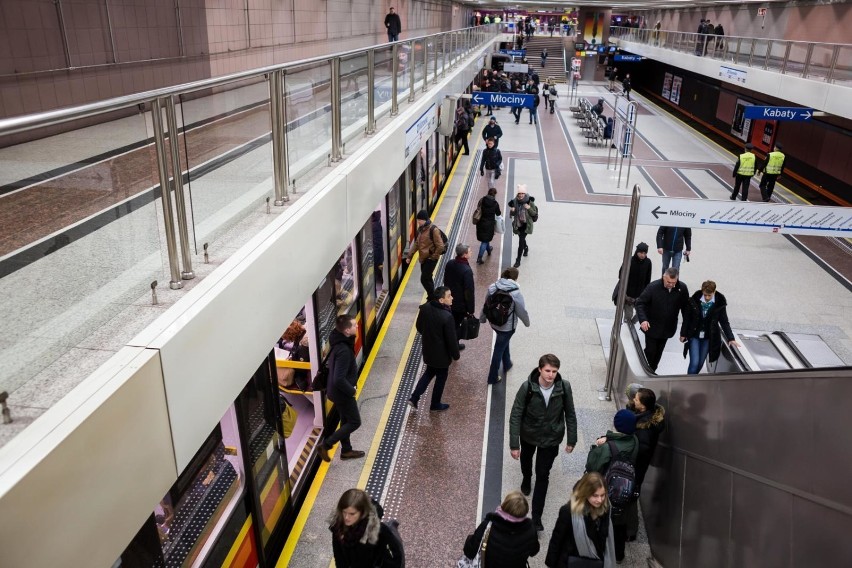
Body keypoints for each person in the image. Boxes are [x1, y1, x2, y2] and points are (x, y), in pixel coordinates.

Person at [509, 354, 577, 532]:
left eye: (554, 371)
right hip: (529, 434)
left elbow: (570, 413)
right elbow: (516, 414)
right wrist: (514, 444)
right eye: (547, 370)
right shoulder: (527, 388)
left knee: (543, 474)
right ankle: (526, 477)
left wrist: (572, 439)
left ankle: (536, 517)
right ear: (540, 369)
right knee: (526, 459)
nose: (551, 375)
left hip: (551, 438)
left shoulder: (564, 387)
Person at [586, 410, 639, 564]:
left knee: (599, 520)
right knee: (619, 525)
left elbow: (592, 467)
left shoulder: (607, 448)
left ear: (616, 424)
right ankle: (619, 554)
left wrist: (596, 447)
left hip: (606, 488)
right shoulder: (634, 440)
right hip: (625, 488)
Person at [544, 472, 616, 568]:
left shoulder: (606, 508)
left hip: (596, 561)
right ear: (586, 493)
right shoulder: (569, 511)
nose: (600, 500)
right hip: (572, 559)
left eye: (603, 495)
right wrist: (551, 563)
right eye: (595, 495)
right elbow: (557, 539)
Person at [319, 316, 365, 462]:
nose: (356, 326)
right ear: (346, 330)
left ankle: (346, 450)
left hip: (336, 392)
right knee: (354, 422)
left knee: (345, 421)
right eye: (353, 326)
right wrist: (351, 390)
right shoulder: (344, 350)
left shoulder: (339, 343)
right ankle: (326, 445)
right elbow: (338, 378)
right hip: (342, 393)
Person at [408, 286, 460, 411]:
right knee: (441, 378)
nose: (452, 298)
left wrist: (429, 336)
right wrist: (456, 355)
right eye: (449, 296)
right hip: (442, 356)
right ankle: (435, 404)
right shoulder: (447, 317)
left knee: (429, 373)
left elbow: (419, 327)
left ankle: (414, 398)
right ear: (441, 300)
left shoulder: (425, 308)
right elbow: (451, 339)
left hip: (428, 350)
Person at [329, 489, 404, 568]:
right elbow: (339, 557)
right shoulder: (338, 528)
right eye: (344, 512)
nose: (346, 517)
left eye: (352, 514)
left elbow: (396, 553)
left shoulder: (377, 529)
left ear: (362, 512)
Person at [462, 491, 540, 567]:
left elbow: (469, 551)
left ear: (504, 505)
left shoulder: (488, 526)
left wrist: (469, 538)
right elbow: (534, 551)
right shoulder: (531, 529)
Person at [635, 268, 690, 372]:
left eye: (674, 282)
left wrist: (684, 331)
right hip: (652, 327)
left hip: (667, 329)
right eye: (669, 282)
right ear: (663, 277)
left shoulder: (682, 288)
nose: (671, 285)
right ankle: (645, 371)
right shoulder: (653, 287)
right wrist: (643, 320)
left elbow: (686, 309)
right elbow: (640, 303)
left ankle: (652, 371)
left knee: (658, 353)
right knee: (650, 351)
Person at [481, 267, 529, 384]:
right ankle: (492, 377)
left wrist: (482, 318)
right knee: (499, 349)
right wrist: (527, 323)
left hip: (494, 322)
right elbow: (521, 310)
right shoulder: (515, 293)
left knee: (502, 342)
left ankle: (507, 363)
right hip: (507, 327)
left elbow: (486, 303)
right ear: (515, 278)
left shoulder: (493, 286)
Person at [680, 280, 738, 374]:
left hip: (708, 337)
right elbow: (687, 319)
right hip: (694, 335)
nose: (707, 297)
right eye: (705, 295)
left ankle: (693, 380)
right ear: (702, 291)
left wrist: (731, 338)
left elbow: (724, 322)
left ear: (714, 292)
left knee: (700, 363)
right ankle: (689, 383)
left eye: (709, 295)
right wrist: (683, 334)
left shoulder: (720, 303)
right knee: (694, 362)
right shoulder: (693, 300)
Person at [405, 210, 445, 298]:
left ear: (424, 220)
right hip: (424, 259)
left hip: (430, 259)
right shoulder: (422, 229)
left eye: (419, 220)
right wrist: (409, 256)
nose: (418, 222)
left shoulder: (433, 230)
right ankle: (432, 296)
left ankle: (432, 297)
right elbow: (417, 244)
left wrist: (433, 257)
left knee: (424, 279)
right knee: (428, 278)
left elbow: (440, 246)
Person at [443, 244, 475, 348]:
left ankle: (452, 344)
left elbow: (446, 280)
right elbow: (468, 292)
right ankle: (454, 346)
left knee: (451, 323)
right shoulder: (466, 270)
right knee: (456, 325)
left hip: (448, 300)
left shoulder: (450, 263)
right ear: (464, 255)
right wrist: (471, 309)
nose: (471, 252)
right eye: (469, 251)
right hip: (460, 305)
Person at [614, 242, 652, 318]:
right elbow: (621, 274)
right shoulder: (629, 261)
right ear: (637, 252)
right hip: (628, 295)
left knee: (641, 315)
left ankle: (631, 325)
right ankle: (627, 325)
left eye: (644, 253)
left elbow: (648, 279)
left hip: (639, 295)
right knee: (628, 315)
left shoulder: (648, 263)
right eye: (641, 253)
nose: (642, 255)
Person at [508, 184, 538, 268]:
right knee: (521, 239)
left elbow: (534, 213)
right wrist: (512, 211)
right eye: (519, 193)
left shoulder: (530, 202)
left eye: (522, 193)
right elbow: (513, 214)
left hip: (526, 225)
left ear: (525, 194)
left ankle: (518, 260)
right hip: (518, 224)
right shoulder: (514, 201)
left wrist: (528, 208)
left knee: (520, 241)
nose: (520, 195)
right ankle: (526, 248)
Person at [474, 187, 501, 264]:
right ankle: (479, 258)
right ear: (495, 194)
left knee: (485, 239)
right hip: (489, 224)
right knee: (485, 241)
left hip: (481, 222)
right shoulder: (495, 203)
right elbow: (498, 213)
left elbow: (478, 208)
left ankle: (489, 250)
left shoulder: (482, 200)